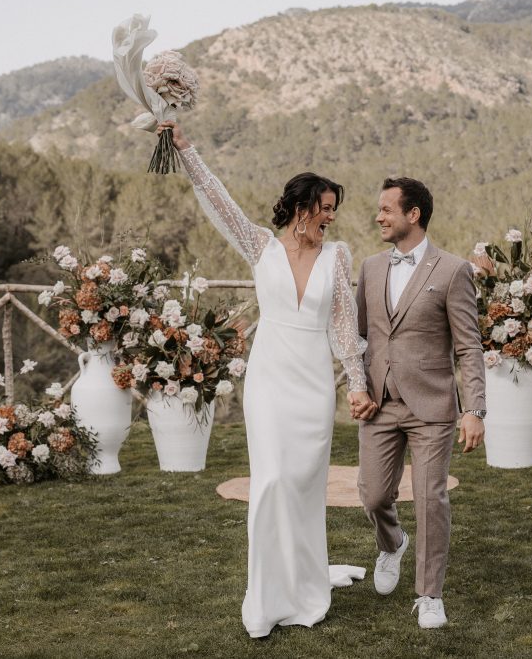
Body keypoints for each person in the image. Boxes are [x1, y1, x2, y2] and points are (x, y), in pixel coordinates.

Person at [158, 121, 378, 638]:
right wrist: (187, 149)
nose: (330, 216)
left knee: (304, 486)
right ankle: (266, 597)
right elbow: (219, 201)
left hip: (314, 386)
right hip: (271, 378)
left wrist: (356, 382)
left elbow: (345, 324)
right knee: (272, 481)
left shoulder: (338, 255)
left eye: (333, 210)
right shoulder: (260, 246)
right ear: (301, 209)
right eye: (324, 207)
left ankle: (304, 586)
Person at [354, 176, 486, 629]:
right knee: (372, 496)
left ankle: (429, 594)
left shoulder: (452, 270)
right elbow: (357, 336)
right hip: (379, 404)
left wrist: (475, 409)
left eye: (387, 209)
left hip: (432, 407)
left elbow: (469, 347)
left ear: (414, 214)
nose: (379, 217)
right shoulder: (370, 267)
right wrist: (356, 386)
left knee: (430, 499)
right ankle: (392, 544)